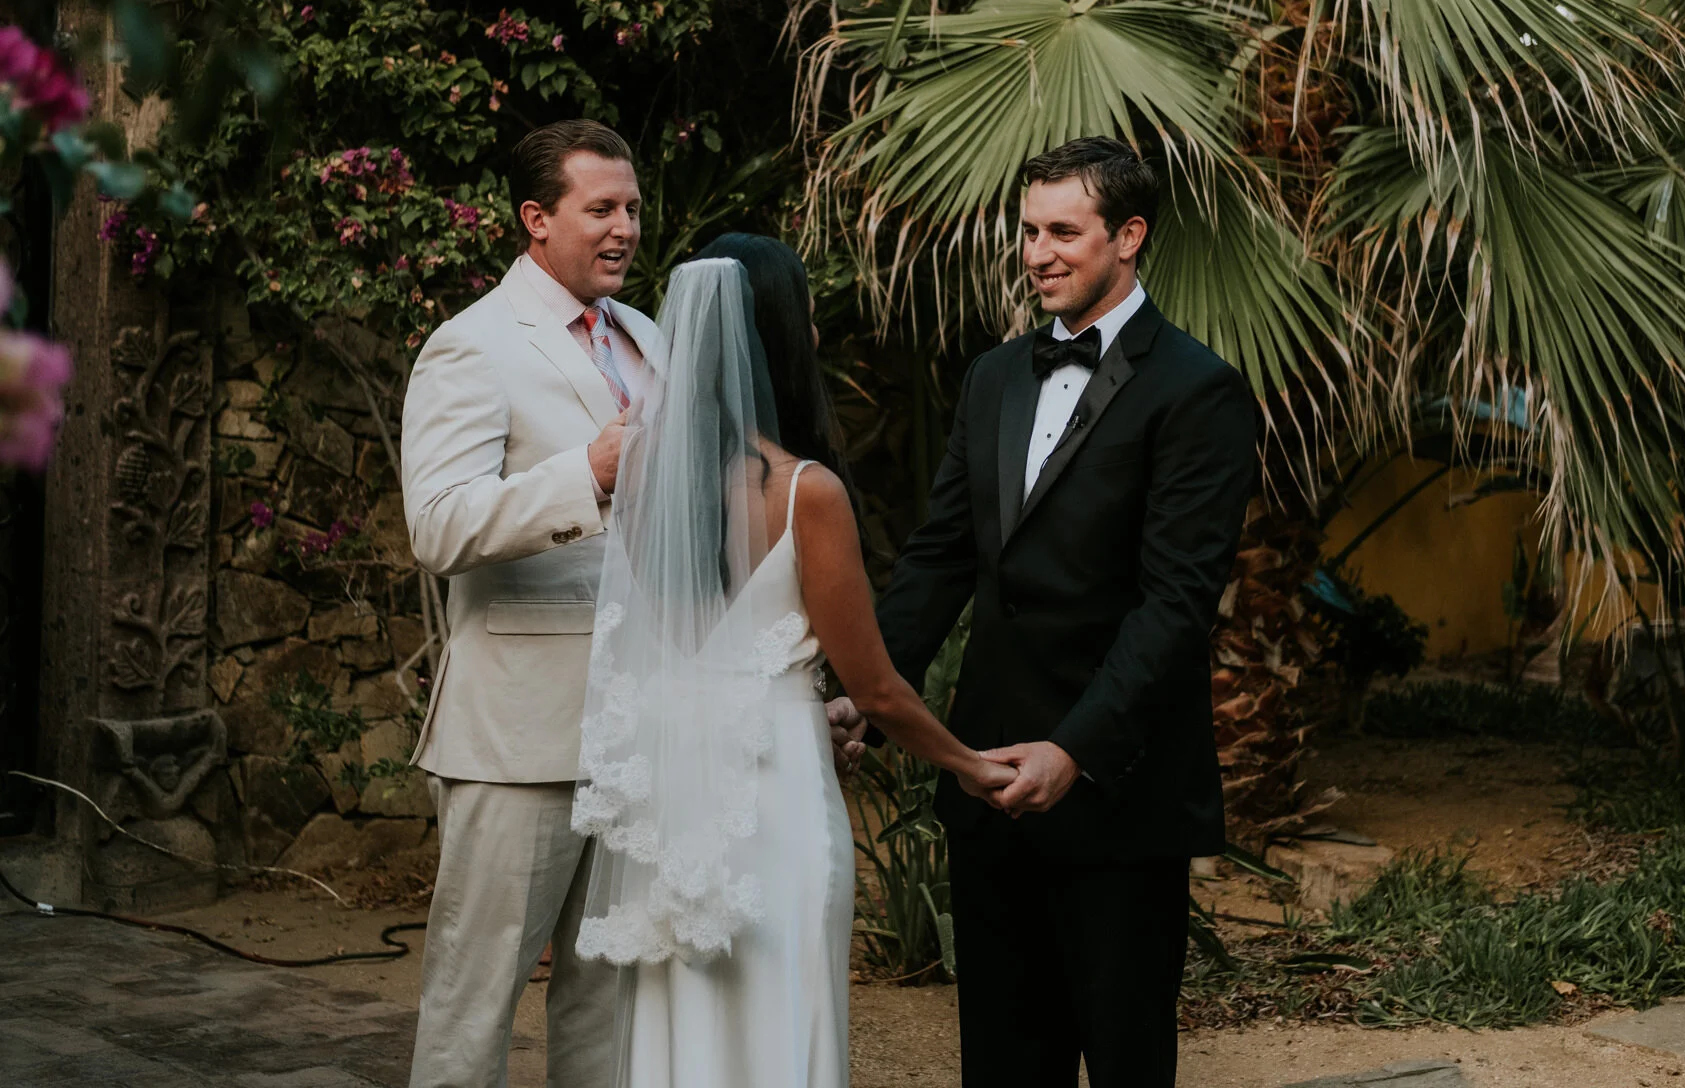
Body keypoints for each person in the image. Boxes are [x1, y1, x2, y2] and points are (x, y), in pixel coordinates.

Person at [399, 125, 860, 1086]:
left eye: (633, 209)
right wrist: (590, 474)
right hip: (521, 739)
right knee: (474, 1000)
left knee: (610, 1004)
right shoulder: (472, 346)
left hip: (651, 741)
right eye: (600, 209)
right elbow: (437, 527)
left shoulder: (652, 336)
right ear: (537, 219)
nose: (625, 229)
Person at [567, 234, 1015, 1088]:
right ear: (774, 334)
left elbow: (679, 649)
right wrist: (970, 765)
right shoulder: (806, 491)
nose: (813, 332)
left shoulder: (643, 473)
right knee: (785, 1015)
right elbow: (877, 687)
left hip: (680, 804)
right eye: (805, 316)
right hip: (779, 807)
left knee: (688, 1023)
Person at [864, 136, 1261, 1087]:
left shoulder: (1199, 391)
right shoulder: (994, 376)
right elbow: (942, 555)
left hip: (1119, 791)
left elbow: (1175, 607)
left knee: (1125, 1062)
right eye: (1029, 231)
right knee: (1003, 1065)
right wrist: (867, 692)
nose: (1037, 253)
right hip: (987, 781)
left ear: (1129, 236)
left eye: (1062, 233)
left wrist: (1074, 750)